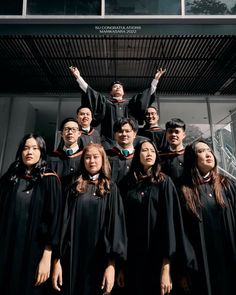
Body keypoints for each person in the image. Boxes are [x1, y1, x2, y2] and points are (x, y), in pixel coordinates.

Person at [52, 143, 127, 295]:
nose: (91, 161)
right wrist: (57, 261)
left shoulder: (110, 189)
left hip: (99, 259)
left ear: (103, 160)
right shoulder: (73, 188)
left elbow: (115, 228)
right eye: (87, 157)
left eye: (95, 157)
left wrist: (111, 266)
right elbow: (63, 224)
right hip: (72, 258)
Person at [120, 140, 191, 295]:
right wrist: (121, 266)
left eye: (152, 151)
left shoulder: (164, 182)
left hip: (157, 257)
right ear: (137, 154)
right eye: (145, 150)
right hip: (133, 258)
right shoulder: (128, 183)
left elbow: (170, 225)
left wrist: (166, 268)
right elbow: (123, 224)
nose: (149, 154)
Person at [0, 133, 62, 295]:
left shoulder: (49, 179)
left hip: (33, 250)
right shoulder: (10, 177)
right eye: (26, 148)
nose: (30, 152)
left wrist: (47, 257)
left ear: (41, 152)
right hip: (6, 246)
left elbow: (54, 221)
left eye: (35, 148)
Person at [179, 139, 236, 295]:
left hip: (229, 256)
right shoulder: (184, 190)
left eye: (209, 150)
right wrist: (184, 268)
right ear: (192, 158)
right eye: (201, 151)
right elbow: (180, 232)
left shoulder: (227, 185)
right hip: (202, 263)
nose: (208, 154)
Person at [69, 66, 166, 141]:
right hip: (109, 142)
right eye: (115, 87)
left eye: (120, 87)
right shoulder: (105, 103)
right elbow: (90, 92)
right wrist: (78, 77)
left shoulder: (131, 104)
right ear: (111, 92)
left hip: (130, 142)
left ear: (123, 92)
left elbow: (146, 95)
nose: (118, 88)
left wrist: (155, 80)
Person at [48, 117, 83, 194]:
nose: (70, 132)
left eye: (74, 129)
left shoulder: (85, 157)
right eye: (67, 129)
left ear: (79, 133)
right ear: (61, 134)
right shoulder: (52, 158)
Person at [105, 118, 137, 193]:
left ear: (134, 134)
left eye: (127, 131)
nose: (124, 134)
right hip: (112, 198)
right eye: (120, 131)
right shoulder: (106, 156)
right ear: (115, 135)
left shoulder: (139, 155)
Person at [159, 118, 186, 186]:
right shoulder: (160, 157)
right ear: (166, 134)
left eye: (177, 132)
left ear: (183, 135)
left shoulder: (189, 155)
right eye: (170, 131)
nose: (173, 134)